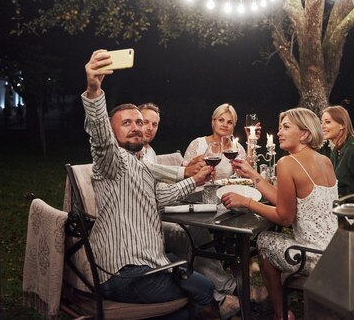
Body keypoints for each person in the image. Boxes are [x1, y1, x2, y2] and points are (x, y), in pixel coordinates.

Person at [82, 50, 214, 318]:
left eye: (140, 123)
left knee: (191, 296)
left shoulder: (138, 164)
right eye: (127, 123)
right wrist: (94, 90)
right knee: (204, 291)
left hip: (146, 267)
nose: (137, 127)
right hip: (125, 274)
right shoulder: (112, 160)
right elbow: (99, 138)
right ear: (112, 129)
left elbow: (158, 198)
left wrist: (194, 180)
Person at [141, 102, 266, 318]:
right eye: (143, 122)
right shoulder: (135, 155)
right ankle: (233, 289)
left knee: (200, 232)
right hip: (173, 208)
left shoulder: (149, 151)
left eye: (154, 124)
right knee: (188, 233)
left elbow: (164, 184)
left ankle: (224, 295)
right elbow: (182, 175)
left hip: (200, 204)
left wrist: (251, 143)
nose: (149, 128)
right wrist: (191, 172)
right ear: (213, 121)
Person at [222, 108, 338, 320]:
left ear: (304, 134)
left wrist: (246, 202)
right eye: (280, 128)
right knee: (270, 239)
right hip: (335, 250)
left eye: (286, 127)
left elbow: (285, 217)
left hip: (314, 256)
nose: (279, 133)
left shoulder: (288, 163)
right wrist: (253, 174)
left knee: (265, 241)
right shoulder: (325, 161)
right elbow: (289, 202)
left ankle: (281, 314)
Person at [183, 103, 247, 180]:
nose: (225, 125)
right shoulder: (197, 144)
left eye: (229, 122)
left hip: (227, 190)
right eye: (221, 120)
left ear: (233, 126)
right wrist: (193, 162)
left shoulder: (237, 149)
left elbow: (245, 177)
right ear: (213, 122)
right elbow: (181, 177)